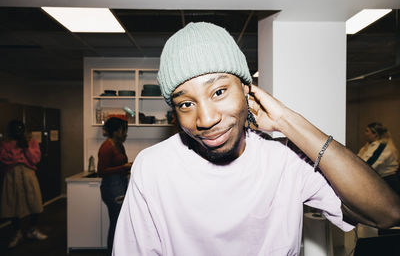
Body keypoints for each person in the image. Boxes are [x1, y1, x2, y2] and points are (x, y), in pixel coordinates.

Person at [113, 22, 400, 255]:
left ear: (247, 91)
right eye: (186, 103)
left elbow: (386, 214)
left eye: (219, 92)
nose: (206, 119)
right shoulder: (153, 166)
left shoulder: (285, 159)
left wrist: (288, 121)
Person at [0, 120, 47, 249]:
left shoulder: (31, 142)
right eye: (15, 128)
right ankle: (17, 233)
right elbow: (5, 159)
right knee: (12, 204)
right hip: (12, 175)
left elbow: (35, 159)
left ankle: (33, 229)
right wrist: (18, 153)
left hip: (28, 174)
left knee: (34, 201)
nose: (18, 131)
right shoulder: (5, 143)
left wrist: (25, 148)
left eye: (21, 128)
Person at [98, 117, 132, 255]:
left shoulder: (118, 145)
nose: (125, 133)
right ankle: (112, 251)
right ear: (117, 131)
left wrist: (127, 166)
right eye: (124, 130)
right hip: (112, 188)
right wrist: (124, 166)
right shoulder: (106, 147)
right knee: (116, 223)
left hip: (120, 184)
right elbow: (101, 171)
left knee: (120, 222)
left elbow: (120, 165)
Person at [358, 122, 400, 194]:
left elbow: (368, 165)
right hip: (380, 179)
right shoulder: (369, 145)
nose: (365, 133)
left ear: (375, 134)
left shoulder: (382, 146)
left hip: (388, 182)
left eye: (367, 131)